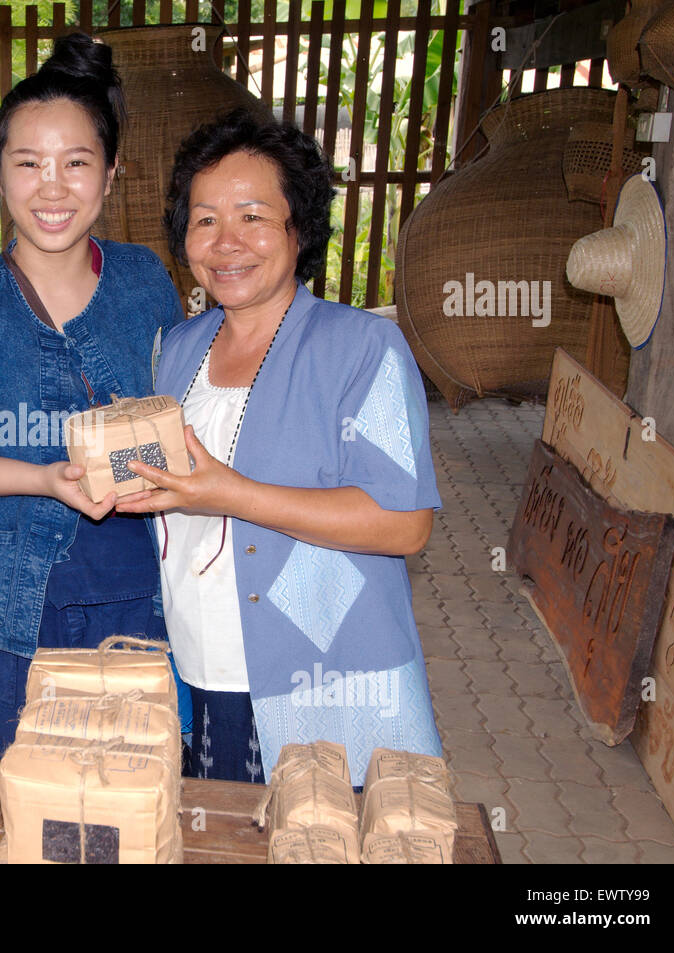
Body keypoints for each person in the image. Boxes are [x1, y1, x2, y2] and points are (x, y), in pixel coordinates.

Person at [116, 108, 443, 787]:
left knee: (315, 835)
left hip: (318, 672)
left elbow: (405, 522)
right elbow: (182, 489)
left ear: (300, 228)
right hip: (203, 666)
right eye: (204, 219)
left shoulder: (362, 349)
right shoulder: (177, 348)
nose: (226, 241)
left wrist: (232, 493)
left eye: (253, 216)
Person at [0, 33, 184, 754]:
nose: (52, 188)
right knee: (19, 800)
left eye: (77, 163)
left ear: (111, 172)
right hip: (8, 615)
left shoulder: (146, 282)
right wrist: (43, 480)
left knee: (129, 798)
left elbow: (177, 417)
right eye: (28, 164)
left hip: (138, 601)